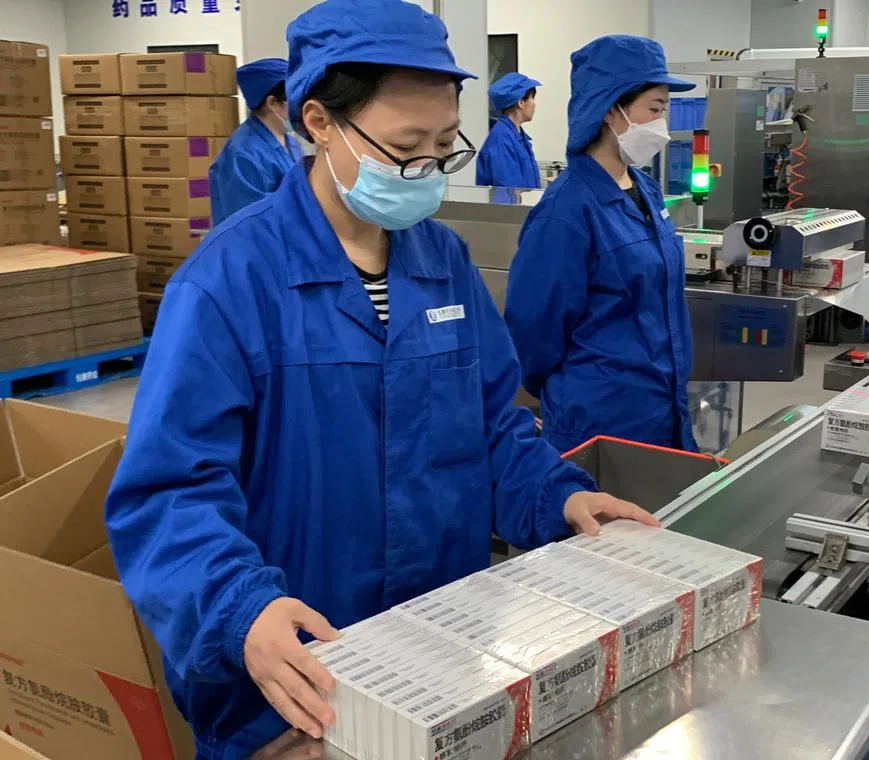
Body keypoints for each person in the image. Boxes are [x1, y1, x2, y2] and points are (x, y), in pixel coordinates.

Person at [103, 3, 657, 757]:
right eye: (404, 149)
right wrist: (240, 611)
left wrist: (561, 498)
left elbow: (495, 430)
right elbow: (169, 496)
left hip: (439, 664)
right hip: (295, 691)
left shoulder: (444, 263)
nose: (424, 171)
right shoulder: (230, 283)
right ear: (319, 123)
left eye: (442, 147)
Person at [504, 35, 698, 455]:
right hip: (598, 419)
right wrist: (571, 392)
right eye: (655, 108)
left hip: (660, 406)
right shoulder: (567, 211)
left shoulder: (645, 189)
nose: (661, 125)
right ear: (611, 109)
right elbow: (534, 327)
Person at [208, 58, 306, 224]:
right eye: (295, 100)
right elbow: (250, 222)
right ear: (272, 103)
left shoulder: (291, 142)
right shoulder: (243, 154)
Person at [475, 72, 542, 188]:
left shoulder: (517, 137)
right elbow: (508, 193)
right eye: (532, 98)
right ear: (520, 102)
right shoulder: (501, 140)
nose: (534, 104)